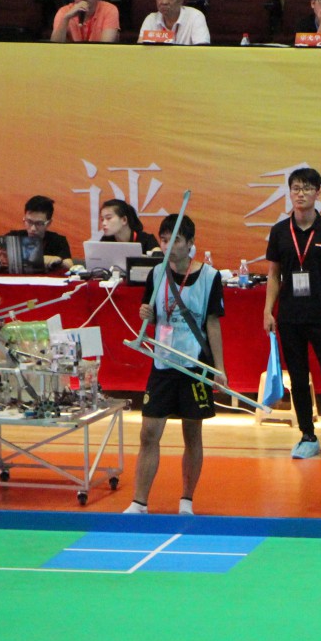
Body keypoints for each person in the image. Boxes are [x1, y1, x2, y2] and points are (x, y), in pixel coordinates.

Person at [123, 215, 226, 515]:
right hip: (163, 363)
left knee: (192, 434)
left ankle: (186, 501)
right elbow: (152, 315)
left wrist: (219, 369)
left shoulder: (210, 276)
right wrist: (145, 315)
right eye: (164, 239)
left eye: (175, 240)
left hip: (195, 364)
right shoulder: (156, 274)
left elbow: (213, 324)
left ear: (190, 243)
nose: (168, 246)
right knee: (148, 433)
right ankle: (139, 502)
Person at [263, 167, 321, 459]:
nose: (301, 194)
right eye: (296, 188)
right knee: (298, 378)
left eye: (307, 188)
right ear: (290, 193)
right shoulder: (279, 231)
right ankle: (307, 435)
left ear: (318, 193)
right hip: (289, 316)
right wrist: (268, 310)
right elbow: (273, 275)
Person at [0, 196, 73, 273]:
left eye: (39, 223)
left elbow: (69, 264)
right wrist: (38, 259)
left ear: (48, 223)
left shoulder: (58, 240)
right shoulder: (14, 237)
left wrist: (56, 260)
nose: (33, 228)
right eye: (29, 222)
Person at [138, 0, 210, 45]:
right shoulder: (151, 20)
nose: (164, 2)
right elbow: (140, 49)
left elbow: (202, 50)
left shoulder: (195, 17)